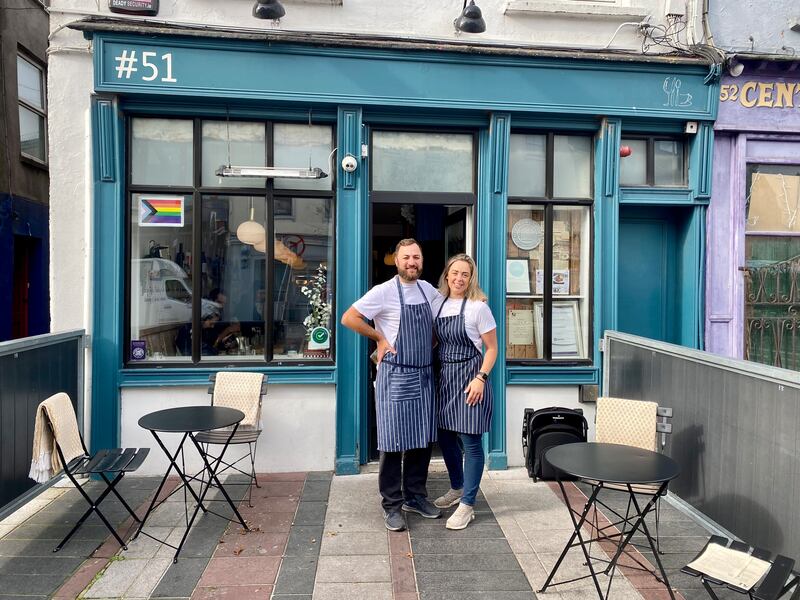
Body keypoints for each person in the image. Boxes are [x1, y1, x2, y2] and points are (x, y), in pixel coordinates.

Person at [341, 238, 442, 531]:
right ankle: (392, 505)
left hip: (424, 375)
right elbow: (349, 318)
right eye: (407, 257)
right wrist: (380, 338)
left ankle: (416, 497)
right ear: (397, 261)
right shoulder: (383, 292)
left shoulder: (428, 290)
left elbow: (444, 316)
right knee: (393, 443)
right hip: (396, 375)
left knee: (421, 442)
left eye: (417, 257)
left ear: (422, 261)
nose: (412, 262)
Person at [432, 254, 498, 530]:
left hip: (471, 379)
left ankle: (468, 504)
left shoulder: (478, 308)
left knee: (470, 442)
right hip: (446, 376)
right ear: (447, 275)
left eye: (465, 275)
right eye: (455, 273)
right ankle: (458, 487)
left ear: (471, 279)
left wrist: (481, 378)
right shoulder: (438, 303)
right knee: (446, 437)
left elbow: (492, 348)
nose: (459, 279)